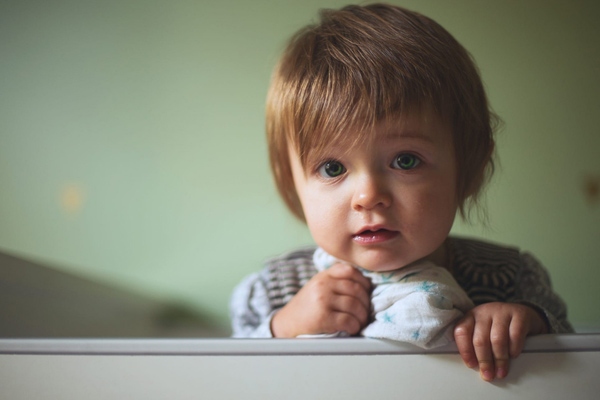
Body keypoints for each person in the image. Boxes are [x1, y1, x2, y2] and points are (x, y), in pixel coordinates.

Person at [229, 3, 573, 382]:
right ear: (290, 180)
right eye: (332, 168)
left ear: (469, 166)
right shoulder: (273, 290)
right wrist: (282, 329)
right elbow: (230, 374)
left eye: (406, 161)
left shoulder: (509, 278)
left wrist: (528, 324)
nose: (368, 197)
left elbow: (574, 365)